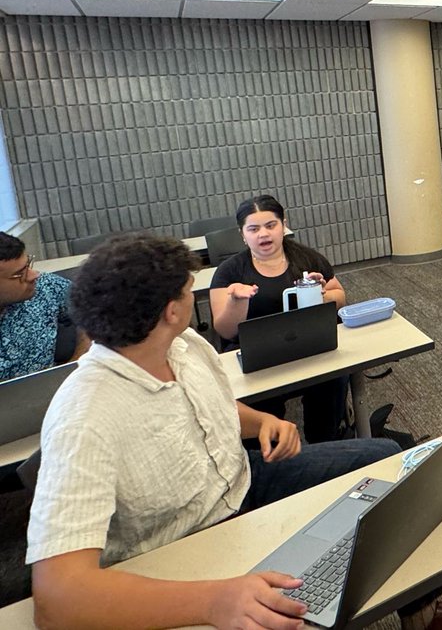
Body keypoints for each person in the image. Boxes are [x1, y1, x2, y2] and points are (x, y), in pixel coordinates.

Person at [25, 233, 405, 630]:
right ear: (173, 309)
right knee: (289, 607)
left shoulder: (181, 342)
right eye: (191, 290)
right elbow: (57, 602)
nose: (196, 297)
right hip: (180, 539)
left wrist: (262, 421)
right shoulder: (84, 418)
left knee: (383, 460)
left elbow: (207, 405)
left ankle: (421, 608)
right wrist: (212, 601)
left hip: (239, 482)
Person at [210, 195, 349, 443]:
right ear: (242, 234)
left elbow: (339, 296)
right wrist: (236, 301)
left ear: (283, 225)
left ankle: (326, 442)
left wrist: (321, 295)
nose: (263, 234)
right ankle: (275, 448)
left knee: (335, 379)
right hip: (257, 357)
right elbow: (225, 330)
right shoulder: (230, 271)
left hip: (309, 347)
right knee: (265, 411)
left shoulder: (306, 258)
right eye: (253, 229)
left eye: (271, 225)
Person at [0, 232, 85, 381]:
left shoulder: (45, 288)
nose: (34, 275)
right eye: (20, 274)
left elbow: (93, 310)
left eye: (28, 265)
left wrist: (76, 363)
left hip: (54, 394)